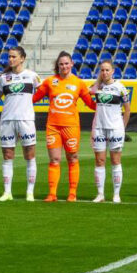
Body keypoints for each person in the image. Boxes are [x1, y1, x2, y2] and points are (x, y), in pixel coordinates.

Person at [32, 51, 96, 202]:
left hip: (71, 126)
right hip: (53, 126)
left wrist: (105, 99)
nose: (64, 66)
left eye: (67, 63)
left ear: (72, 64)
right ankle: (52, 194)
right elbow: (33, 98)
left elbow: (91, 104)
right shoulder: (49, 82)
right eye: (61, 64)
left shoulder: (79, 83)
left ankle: (72, 193)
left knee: (72, 158)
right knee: (54, 159)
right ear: (58, 66)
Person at [0, 46, 40, 202]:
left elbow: (45, 92)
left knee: (29, 155)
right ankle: (7, 193)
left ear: (22, 58)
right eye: (9, 57)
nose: (11, 59)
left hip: (26, 120)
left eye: (14, 56)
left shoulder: (32, 76)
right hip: (7, 120)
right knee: (7, 156)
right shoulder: (3, 78)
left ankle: (30, 192)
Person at [89, 59, 131, 203]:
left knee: (115, 160)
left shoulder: (120, 87)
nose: (104, 72)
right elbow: (87, 93)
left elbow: (127, 110)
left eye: (107, 70)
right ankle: (100, 194)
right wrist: (98, 81)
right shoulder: (97, 87)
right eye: (102, 70)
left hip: (115, 128)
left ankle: (116, 194)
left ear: (113, 71)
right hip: (99, 128)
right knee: (99, 160)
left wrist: (123, 128)